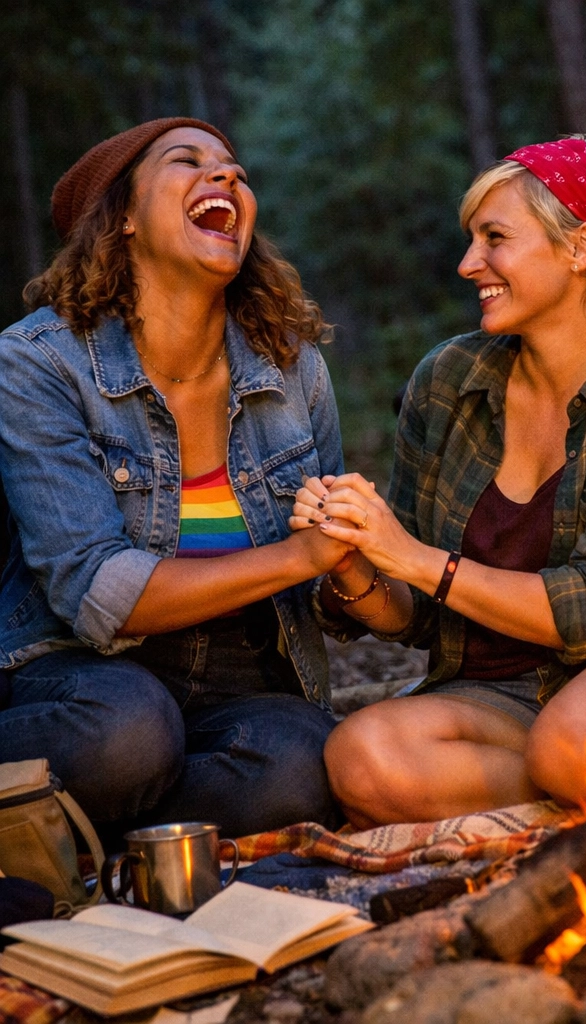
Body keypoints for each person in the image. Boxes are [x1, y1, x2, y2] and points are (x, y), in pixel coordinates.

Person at [293, 136, 586, 827]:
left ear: (581, 247)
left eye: (495, 239)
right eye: (472, 240)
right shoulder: (448, 380)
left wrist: (413, 556)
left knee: (576, 745)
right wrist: (357, 561)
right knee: (363, 758)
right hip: (503, 691)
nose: (469, 263)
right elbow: (418, 612)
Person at [0, 118, 356, 836]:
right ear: (124, 217)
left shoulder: (292, 368)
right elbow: (97, 593)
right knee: (126, 732)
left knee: (307, 763)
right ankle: (91, 806)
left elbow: (333, 590)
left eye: (235, 169)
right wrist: (299, 556)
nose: (226, 176)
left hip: (240, 673)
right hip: (80, 670)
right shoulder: (39, 361)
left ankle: (74, 833)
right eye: (187, 162)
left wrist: (358, 570)